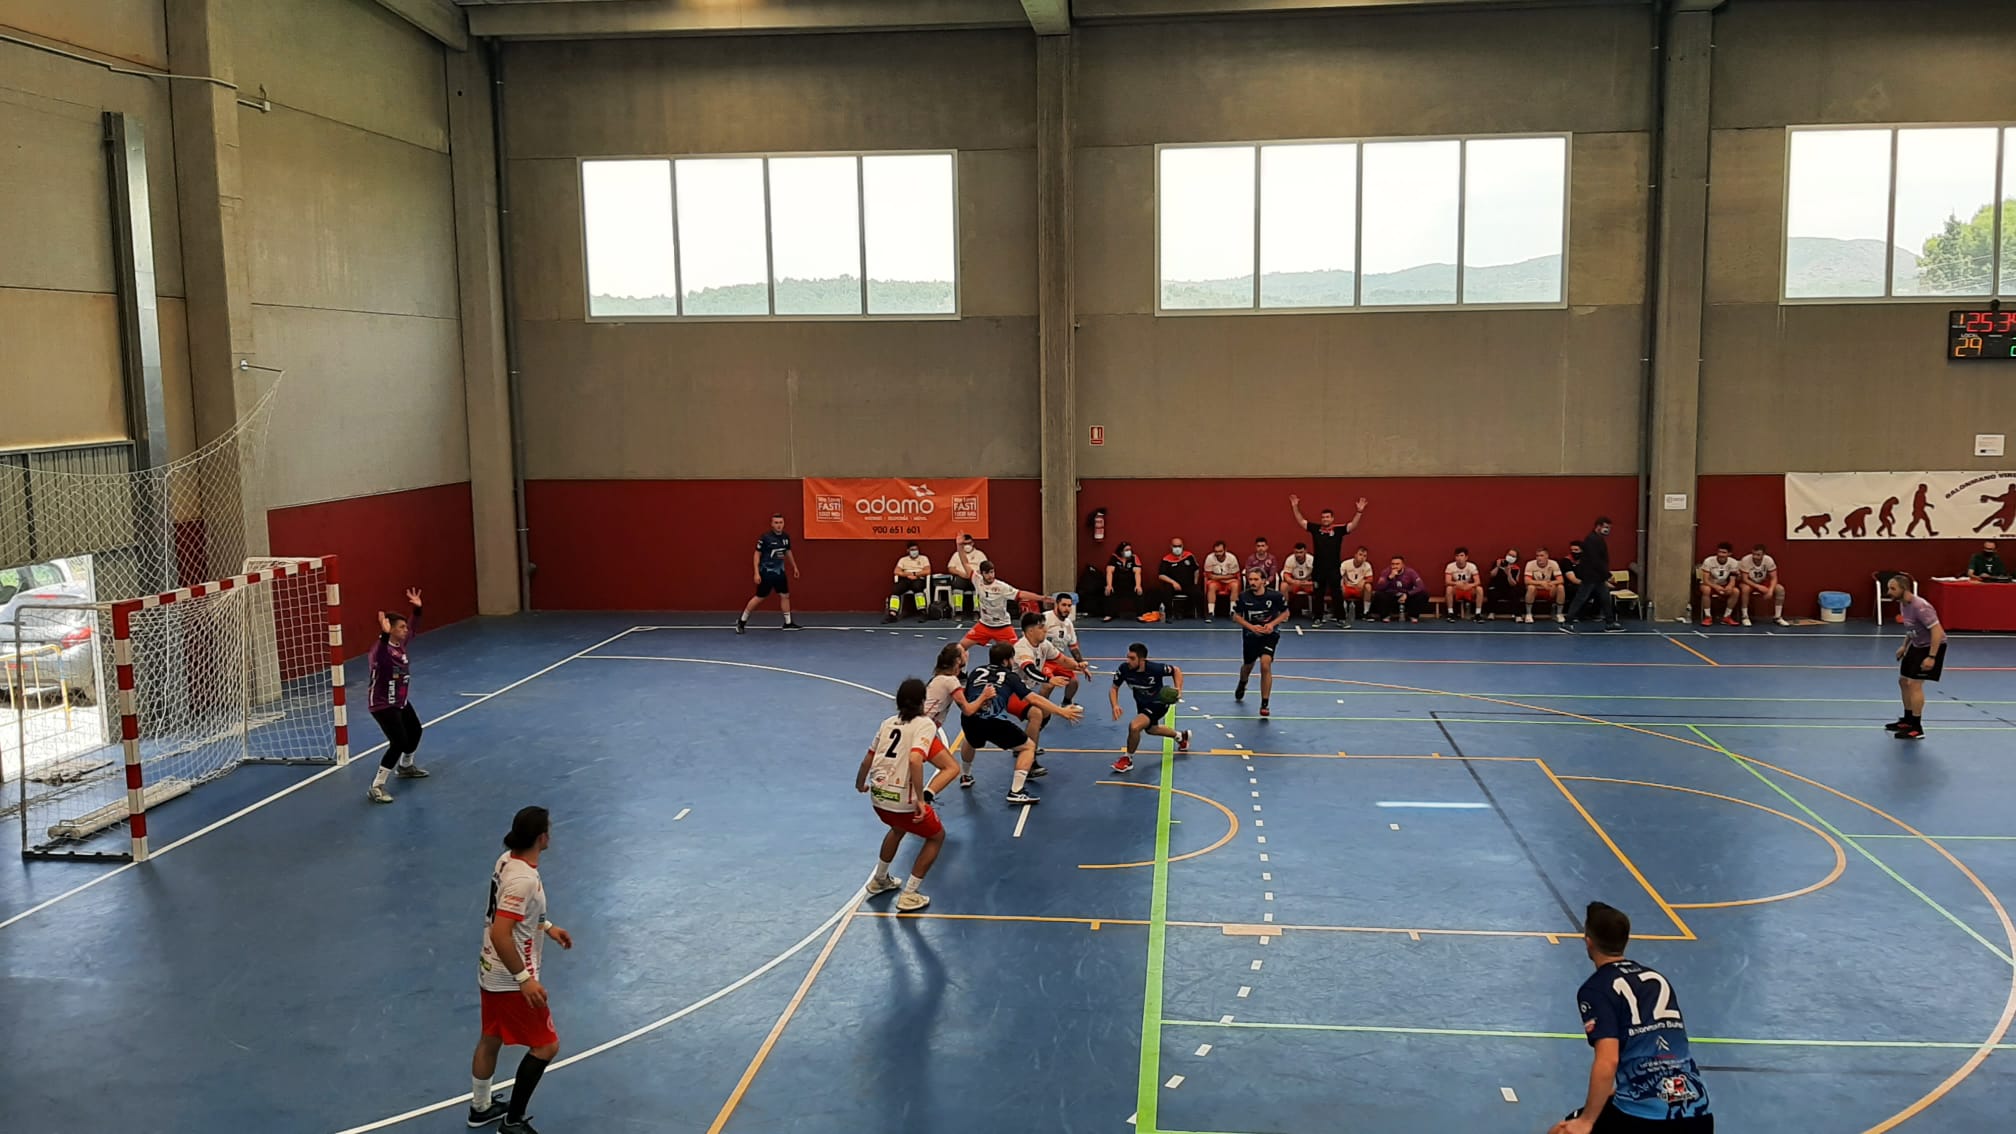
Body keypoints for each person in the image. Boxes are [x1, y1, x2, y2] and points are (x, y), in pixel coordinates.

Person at [1550, 902, 1712, 1134]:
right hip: (1697, 1111)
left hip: (1644, 1117)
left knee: (1564, 1131)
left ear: (1588, 941)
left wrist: (1586, 1120)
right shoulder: (1657, 979)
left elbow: (1608, 1060)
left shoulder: (1596, 989)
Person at [471, 806, 572, 1134]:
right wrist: (524, 980)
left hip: (490, 969)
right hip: (510, 979)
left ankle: (480, 1107)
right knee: (546, 1046)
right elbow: (501, 933)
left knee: (491, 1038)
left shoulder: (508, 861)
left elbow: (516, 914)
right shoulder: (523, 881)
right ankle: (512, 1122)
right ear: (541, 837)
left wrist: (548, 927)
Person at [858, 678, 958, 913]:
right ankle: (910, 894)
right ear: (923, 701)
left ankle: (880, 879)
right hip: (904, 801)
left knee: (897, 828)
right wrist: (921, 800)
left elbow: (867, 759)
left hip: (879, 797)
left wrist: (860, 783)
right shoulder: (924, 724)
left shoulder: (887, 723)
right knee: (936, 837)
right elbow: (915, 759)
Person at [958, 641, 1077, 804]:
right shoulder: (1010, 677)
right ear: (1006, 661)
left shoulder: (976, 671)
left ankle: (965, 775)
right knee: (1028, 747)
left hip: (969, 718)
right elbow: (1033, 699)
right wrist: (1061, 711)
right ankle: (1016, 791)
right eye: (1012, 659)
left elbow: (965, 695)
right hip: (993, 721)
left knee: (970, 738)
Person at [366, 588, 426, 804]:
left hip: (400, 700)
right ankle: (377, 786)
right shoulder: (380, 650)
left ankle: (406, 766)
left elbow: (414, 627)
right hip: (383, 704)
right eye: (401, 627)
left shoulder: (400, 644)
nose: (405, 629)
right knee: (398, 742)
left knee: (415, 731)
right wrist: (383, 636)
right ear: (389, 629)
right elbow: (380, 658)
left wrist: (417, 609)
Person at [1109, 642, 1191, 774]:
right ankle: (1181, 737)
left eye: (1132, 658)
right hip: (1142, 704)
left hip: (1158, 703)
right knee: (1151, 729)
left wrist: (1178, 690)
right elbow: (1114, 688)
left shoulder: (1155, 669)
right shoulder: (1124, 669)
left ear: (1142, 660)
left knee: (1134, 726)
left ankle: (1127, 759)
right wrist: (1115, 705)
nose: (1128, 661)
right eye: (1128, 657)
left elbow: (1176, 670)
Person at [1014, 611, 1088, 753]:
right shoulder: (1022, 648)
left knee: (1045, 713)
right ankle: (1027, 753)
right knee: (1037, 713)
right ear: (1030, 631)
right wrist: (1049, 679)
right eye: (1041, 627)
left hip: (1024, 690)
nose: (1045, 630)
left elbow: (1062, 660)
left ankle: (1025, 743)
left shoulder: (1044, 645)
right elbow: (1030, 670)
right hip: (1012, 692)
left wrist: (1078, 666)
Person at [1291, 494, 1367, 626]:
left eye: (1327, 517)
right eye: (1323, 517)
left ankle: (1341, 619)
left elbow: (1352, 526)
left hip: (1334, 568)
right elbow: (1301, 521)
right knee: (1318, 594)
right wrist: (1295, 507)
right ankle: (1318, 618)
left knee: (1337, 594)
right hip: (1318, 568)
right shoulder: (1316, 529)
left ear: (1332, 518)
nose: (1325, 519)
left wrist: (1359, 512)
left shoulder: (1338, 530)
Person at [1886, 575, 1946, 741]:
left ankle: (1917, 728)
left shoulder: (1921, 606)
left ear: (1904, 589)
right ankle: (1907, 720)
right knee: (1903, 681)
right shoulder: (1903, 604)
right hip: (1916, 644)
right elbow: (1912, 628)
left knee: (1914, 684)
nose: (1889, 592)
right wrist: (1904, 646)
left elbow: (1937, 631)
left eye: (1893, 589)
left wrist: (1932, 656)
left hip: (1931, 646)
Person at [1232, 569, 1288, 717]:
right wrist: (1251, 627)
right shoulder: (1244, 597)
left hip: (1269, 635)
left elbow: (1285, 613)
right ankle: (1243, 682)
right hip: (1251, 636)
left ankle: (1264, 703)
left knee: (1265, 664)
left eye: (1256, 579)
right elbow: (1236, 616)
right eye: (1250, 579)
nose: (1252, 582)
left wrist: (1272, 625)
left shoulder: (1275, 596)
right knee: (1248, 666)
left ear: (1264, 581)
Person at [737, 513, 802, 634]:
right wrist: (756, 573)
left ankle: (788, 623)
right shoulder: (765, 538)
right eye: (776, 523)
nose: (779, 525)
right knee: (759, 597)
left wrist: (794, 567)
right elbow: (757, 554)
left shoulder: (786, 537)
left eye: (781, 523)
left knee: (785, 595)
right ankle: (742, 622)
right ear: (772, 524)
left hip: (780, 573)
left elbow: (788, 552)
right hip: (766, 573)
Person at [962, 562, 1044, 649]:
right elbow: (965, 564)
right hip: (984, 625)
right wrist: (959, 552)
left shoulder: (1002, 587)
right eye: (987, 573)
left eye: (992, 572)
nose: (990, 575)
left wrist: (1041, 598)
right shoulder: (977, 580)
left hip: (1002, 626)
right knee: (961, 647)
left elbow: (1020, 594)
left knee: (1016, 651)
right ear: (981, 573)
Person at [1563, 517, 1624, 633]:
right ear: (1598, 526)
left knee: (1605, 598)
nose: (1607, 530)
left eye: (1609, 528)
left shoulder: (1597, 539)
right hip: (1590, 576)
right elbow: (1595, 560)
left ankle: (1610, 623)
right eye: (1606, 527)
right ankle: (1567, 623)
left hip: (1597, 577)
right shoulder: (1592, 540)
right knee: (1581, 598)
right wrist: (1607, 575)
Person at [1737, 543, 1788, 626]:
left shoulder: (1769, 560)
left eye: (1758, 555)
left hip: (1762, 581)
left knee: (1780, 589)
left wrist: (1770, 590)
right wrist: (1758, 587)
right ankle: (1745, 616)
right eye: (1753, 554)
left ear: (1763, 554)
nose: (1755, 556)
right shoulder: (1746, 560)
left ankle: (1777, 617)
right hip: (1749, 582)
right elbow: (1744, 579)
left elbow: (1774, 578)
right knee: (1745, 589)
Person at [1370, 556, 1430, 622]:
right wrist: (1389, 578)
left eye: (1397, 564)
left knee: (1423, 594)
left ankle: (1413, 615)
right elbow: (1379, 588)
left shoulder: (1410, 572)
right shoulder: (1386, 572)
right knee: (1378, 594)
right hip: (1392, 597)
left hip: (1406, 597)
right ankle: (1385, 615)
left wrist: (1407, 594)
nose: (1395, 566)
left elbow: (1421, 586)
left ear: (1403, 565)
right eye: (1393, 564)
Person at [1696, 544, 1742, 627]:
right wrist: (1716, 587)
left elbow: (1732, 579)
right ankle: (1708, 616)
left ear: (1729, 554)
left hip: (1723, 584)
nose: (1721, 554)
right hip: (1709, 584)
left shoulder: (1733, 562)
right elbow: (1705, 580)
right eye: (1719, 552)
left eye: (1724, 552)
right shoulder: (1708, 561)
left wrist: (1730, 586)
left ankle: (1727, 617)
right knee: (1706, 590)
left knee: (1736, 591)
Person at [1157, 538, 1201, 620]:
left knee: (1197, 592)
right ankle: (1170, 613)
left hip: (1188, 585)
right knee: (1166, 591)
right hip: (1173, 586)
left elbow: (1196, 569)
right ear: (1171, 546)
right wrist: (1173, 582)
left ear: (1182, 546)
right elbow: (1161, 575)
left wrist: (1195, 583)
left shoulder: (1189, 556)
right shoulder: (1166, 559)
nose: (1177, 548)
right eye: (1175, 546)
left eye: (1179, 546)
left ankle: (1188, 612)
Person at [887, 541, 932, 622]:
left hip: (918, 578)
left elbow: (927, 571)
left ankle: (922, 612)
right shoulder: (903, 560)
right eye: (912, 550)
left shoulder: (924, 558)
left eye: (916, 549)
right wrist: (907, 575)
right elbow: (896, 571)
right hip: (906, 579)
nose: (915, 551)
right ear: (908, 551)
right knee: (896, 589)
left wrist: (915, 574)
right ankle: (892, 614)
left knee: (917, 587)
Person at [1104, 542, 1147, 622]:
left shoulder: (1134, 557)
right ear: (1121, 551)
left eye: (1130, 549)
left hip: (1130, 585)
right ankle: (1109, 615)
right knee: (1108, 591)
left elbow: (1137, 572)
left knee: (1139, 592)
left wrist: (1138, 585)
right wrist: (1109, 585)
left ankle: (1140, 615)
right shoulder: (1114, 557)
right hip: (1117, 585)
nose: (1129, 551)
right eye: (1126, 550)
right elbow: (1109, 571)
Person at [1203, 540, 1243, 622]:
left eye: (1220, 551)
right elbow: (1209, 575)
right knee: (1211, 586)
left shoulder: (1232, 558)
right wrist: (1226, 577)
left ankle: (1232, 611)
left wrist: (1217, 577)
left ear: (1225, 550)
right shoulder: (1209, 558)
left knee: (1235, 585)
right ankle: (1211, 612)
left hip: (1229, 582)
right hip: (1217, 582)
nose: (1218, 554)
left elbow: (1235, 575)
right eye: (1216, 552)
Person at [1524, 548, 1566, 624]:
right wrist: (1541, 583)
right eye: (1537, 556)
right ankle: (1529, 614)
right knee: (1530, 587)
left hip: (1549, 588)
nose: (1539, 558)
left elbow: (1561, 580)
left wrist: (1550, 583)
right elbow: (1527, 581)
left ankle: (1559, 614)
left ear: (1547, 556)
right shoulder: (1530, 564)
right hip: (1536, 589)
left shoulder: (1553, 563)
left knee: (1560, 587)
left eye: (1541, 555)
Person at [1443, 548, 1485, 623]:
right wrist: (1456, 583)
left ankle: (1478, 614)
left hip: (1468, 588)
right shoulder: (1450, 566)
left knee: (1479, 589)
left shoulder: (1472, 566)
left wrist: (1470, 585)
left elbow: (1478, 581)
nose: (1459, 558)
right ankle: (1450, 613)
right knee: (1449, 588)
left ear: (1466, 557)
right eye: (1457, 556)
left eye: (1461, 555)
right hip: (1457, 588)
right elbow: (1447, 581)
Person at [1280, 542, 1317, 620]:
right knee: (1283, 586)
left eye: (1301, 552)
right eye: (1296, 552)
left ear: (1305, 552)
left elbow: (1318, 576)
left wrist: (1310, 583)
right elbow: (1286, 576)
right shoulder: (1290, 559)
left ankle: (1317, 613)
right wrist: (1293, 581)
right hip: (1295, 582)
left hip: (1307, 583)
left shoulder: (1312, 560)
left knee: (1318, 585)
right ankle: (1285, 612)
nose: (1298, 555)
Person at [1341, 547, 1377, 624]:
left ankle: (1366, 612)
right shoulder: (1346, 564)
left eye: (1364, 556)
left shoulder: (1367, 565)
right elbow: (1339, 576)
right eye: (1360, 555)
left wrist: (1364, 581)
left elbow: (1370, 578)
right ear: (1355, 555)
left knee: (1368, 586)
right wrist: (1343, 582)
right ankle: (1342, 612)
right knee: (1339, 586)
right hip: (1347, 587)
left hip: (1359, 589)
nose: (1362, 557)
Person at [1487, 548, 1524, 619]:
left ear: (1516, 558)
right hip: (1497, 587)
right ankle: (1492, 612)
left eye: (1513, 556)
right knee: (1491, 591)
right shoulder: (1499, 562)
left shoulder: (1516, 568)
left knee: (1516, 591)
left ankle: (1518, 615)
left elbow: (1514, 584)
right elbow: (1492, 575)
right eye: (1509, 555)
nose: (1510, 557)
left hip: (1509, 589)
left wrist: (1508, 574)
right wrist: (1497, 567)